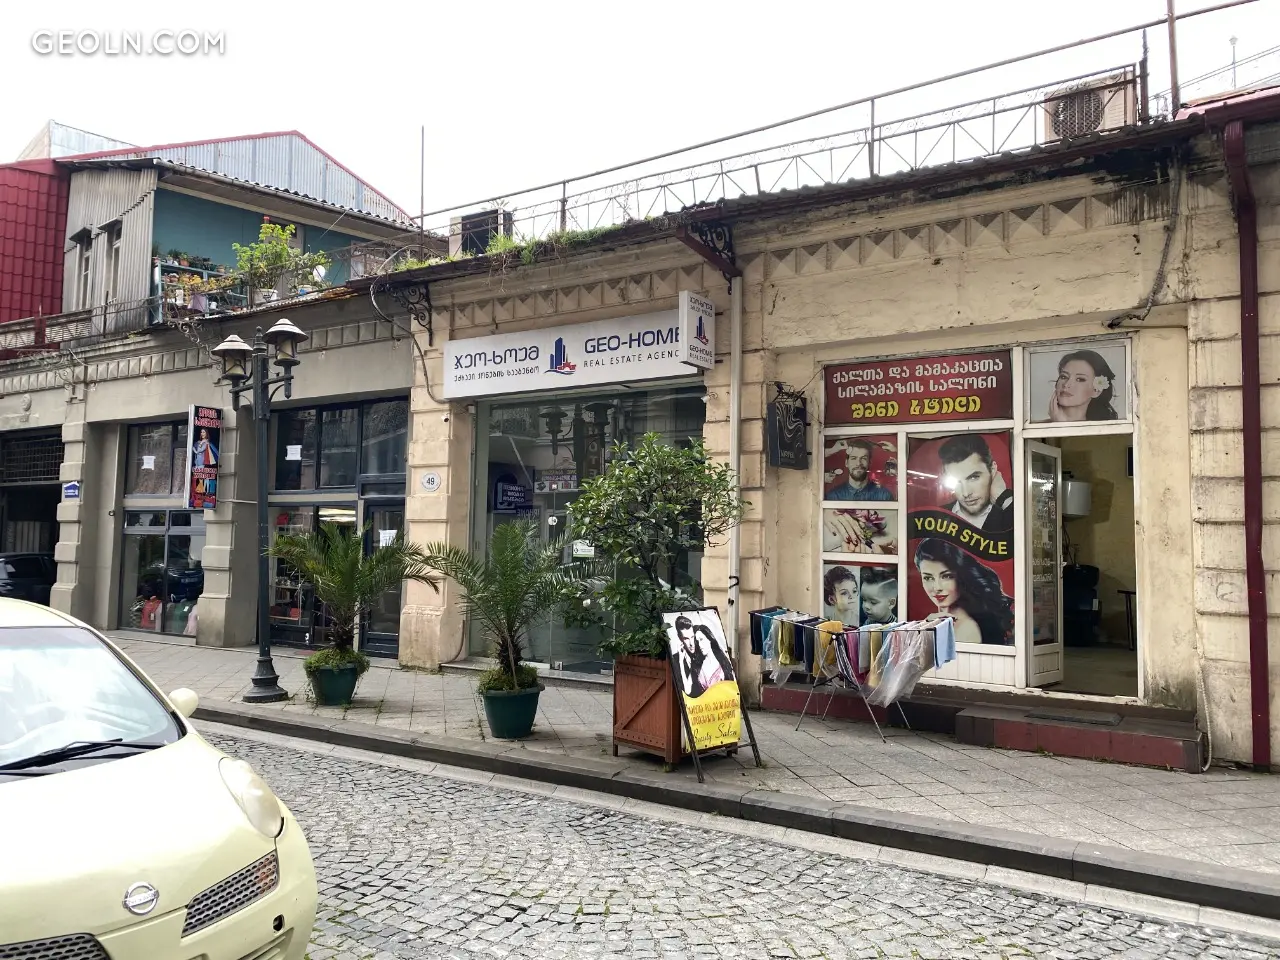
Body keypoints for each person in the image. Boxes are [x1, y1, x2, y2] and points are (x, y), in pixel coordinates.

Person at [913, 538, 1013, 645]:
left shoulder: (965, 629)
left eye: (947, 576)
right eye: (928, 578)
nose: (937, 587)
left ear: (961, 577)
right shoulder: (941, 621)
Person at [937, 434, 1013, 534]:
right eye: (957, 481)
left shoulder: (1009, 511)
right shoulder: (937, 516)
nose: (966, 493)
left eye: (973, 477)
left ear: (992, 470)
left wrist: (1003, 497)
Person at [1048, 350, 1120, 422]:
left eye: (1080, 379)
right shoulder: (1041, 426)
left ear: (1096, 391)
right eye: (1064, 377)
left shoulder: (1104, 427)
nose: (1066, 385)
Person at [827, 439, 894, 501]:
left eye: (863, 458)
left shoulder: (884, 496)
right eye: (854, 458)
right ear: (846, 463)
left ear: (869, 462)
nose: (858, 463)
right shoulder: (833, 496)